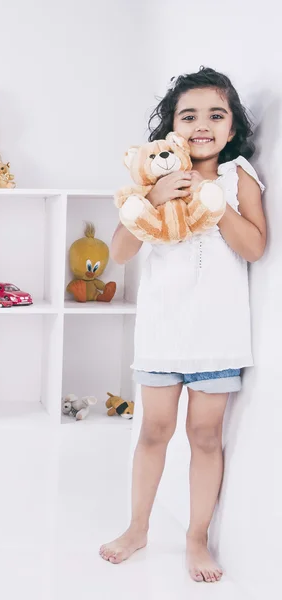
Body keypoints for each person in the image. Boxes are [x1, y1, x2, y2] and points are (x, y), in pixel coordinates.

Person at [99, 67, 267, 583]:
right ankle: (138, 527)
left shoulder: (238, 177)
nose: (202, 125)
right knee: (153, 431)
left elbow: (256, 247)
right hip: (163, 331)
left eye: (215, 115)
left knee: (205, 436)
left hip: (217, 336)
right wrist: (153, 200)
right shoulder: (150, 179)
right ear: (171, 128)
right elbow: (119, 254)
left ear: (232, 126)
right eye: (187, 115)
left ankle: (196, 538)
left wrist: (212, 205)